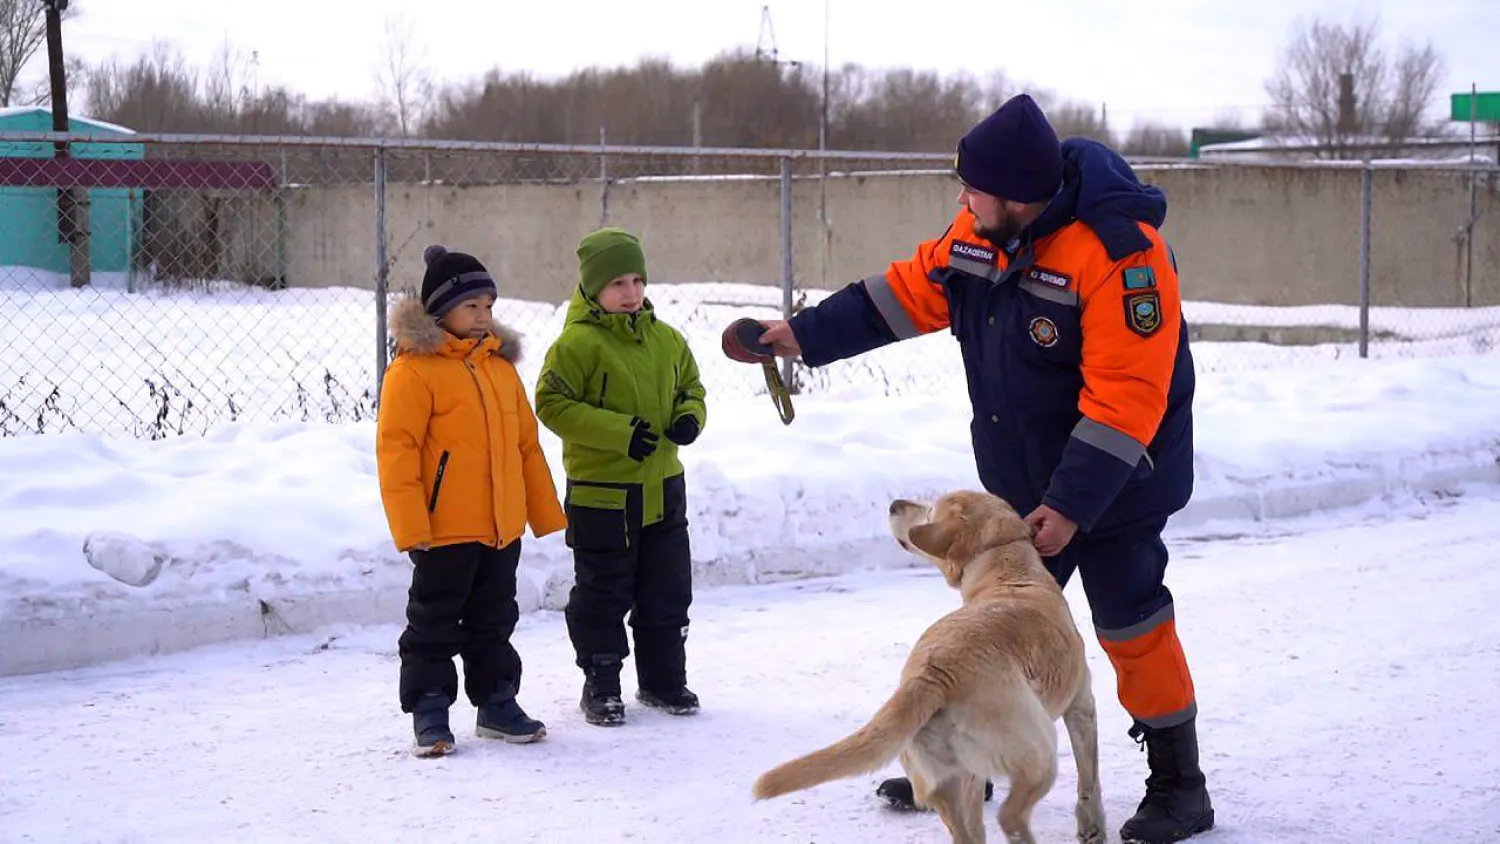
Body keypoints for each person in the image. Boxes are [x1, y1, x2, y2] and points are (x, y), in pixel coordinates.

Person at [723, 94, 1214, 843]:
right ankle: (971, 756)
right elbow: (903, 294)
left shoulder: (1122, 254)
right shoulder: (981, 232)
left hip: (1116, 483)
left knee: (1129, 621)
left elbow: (1127, 397)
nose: (961, 199)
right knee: (995, 629)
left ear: (1017, 196)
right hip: (1021, 478)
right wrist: (797, 336)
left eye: (972, 188)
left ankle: (1179, 783)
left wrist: (1073, 502)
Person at [376, 244, 568, 757]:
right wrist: (413, 526)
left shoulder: (500, 369)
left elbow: (526, 446)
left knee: (495, 619)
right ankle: (431, 709)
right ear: (441, 311)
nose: (484, 317)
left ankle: (498, 702)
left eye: (489, 306)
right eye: (472, 307)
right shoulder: (414, 372)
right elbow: (398, 454)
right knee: (433, 622)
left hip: (500, 527)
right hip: (445, 529)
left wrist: (544, 512)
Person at [535, 227, 708, 727]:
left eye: (637, 280)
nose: (630, 292)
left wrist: (689, 417)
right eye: (616, 283)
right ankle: (602, 684)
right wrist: (618, 433)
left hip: (663, 490)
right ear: (592, 288)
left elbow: (691, 387)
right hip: (602, 496)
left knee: (668, 589)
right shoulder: (577, 344)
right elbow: (551, 403)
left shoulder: (667, 340)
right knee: (603, 593)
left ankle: (662, 680)